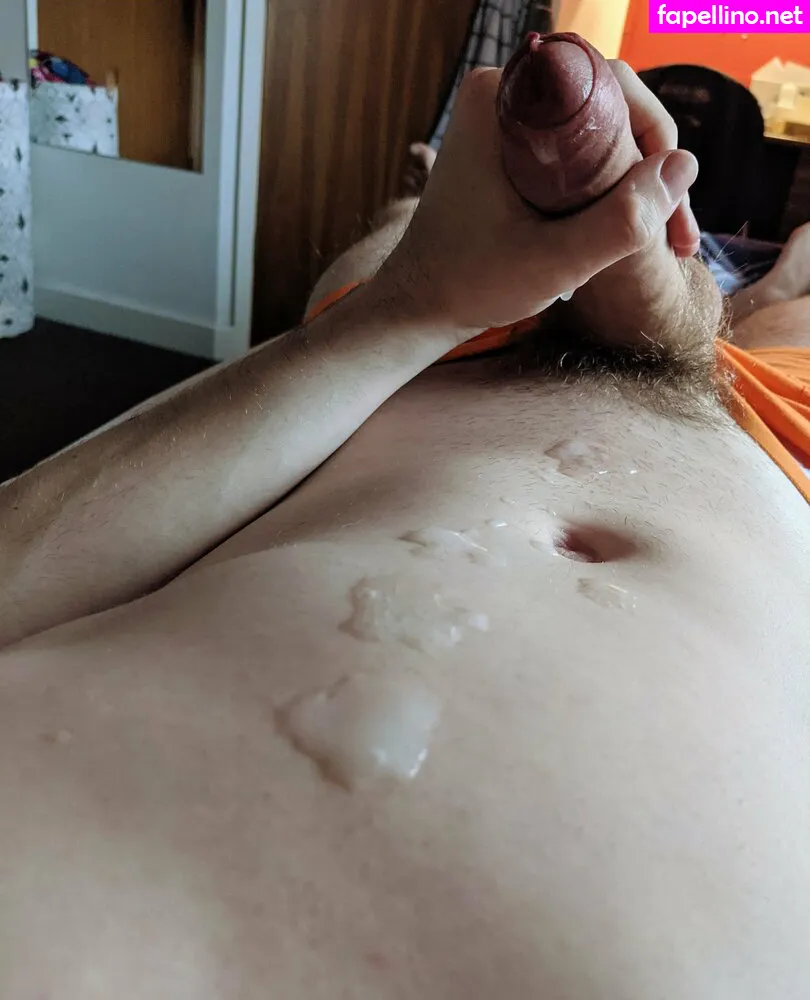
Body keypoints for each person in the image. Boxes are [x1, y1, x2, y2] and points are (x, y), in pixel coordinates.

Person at [0, 61, 808, 998]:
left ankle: (432, 206)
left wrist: (418, 300)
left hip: (404, 368)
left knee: (386, 251)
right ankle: (743, 294)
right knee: (792, 318)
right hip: (769, 439)